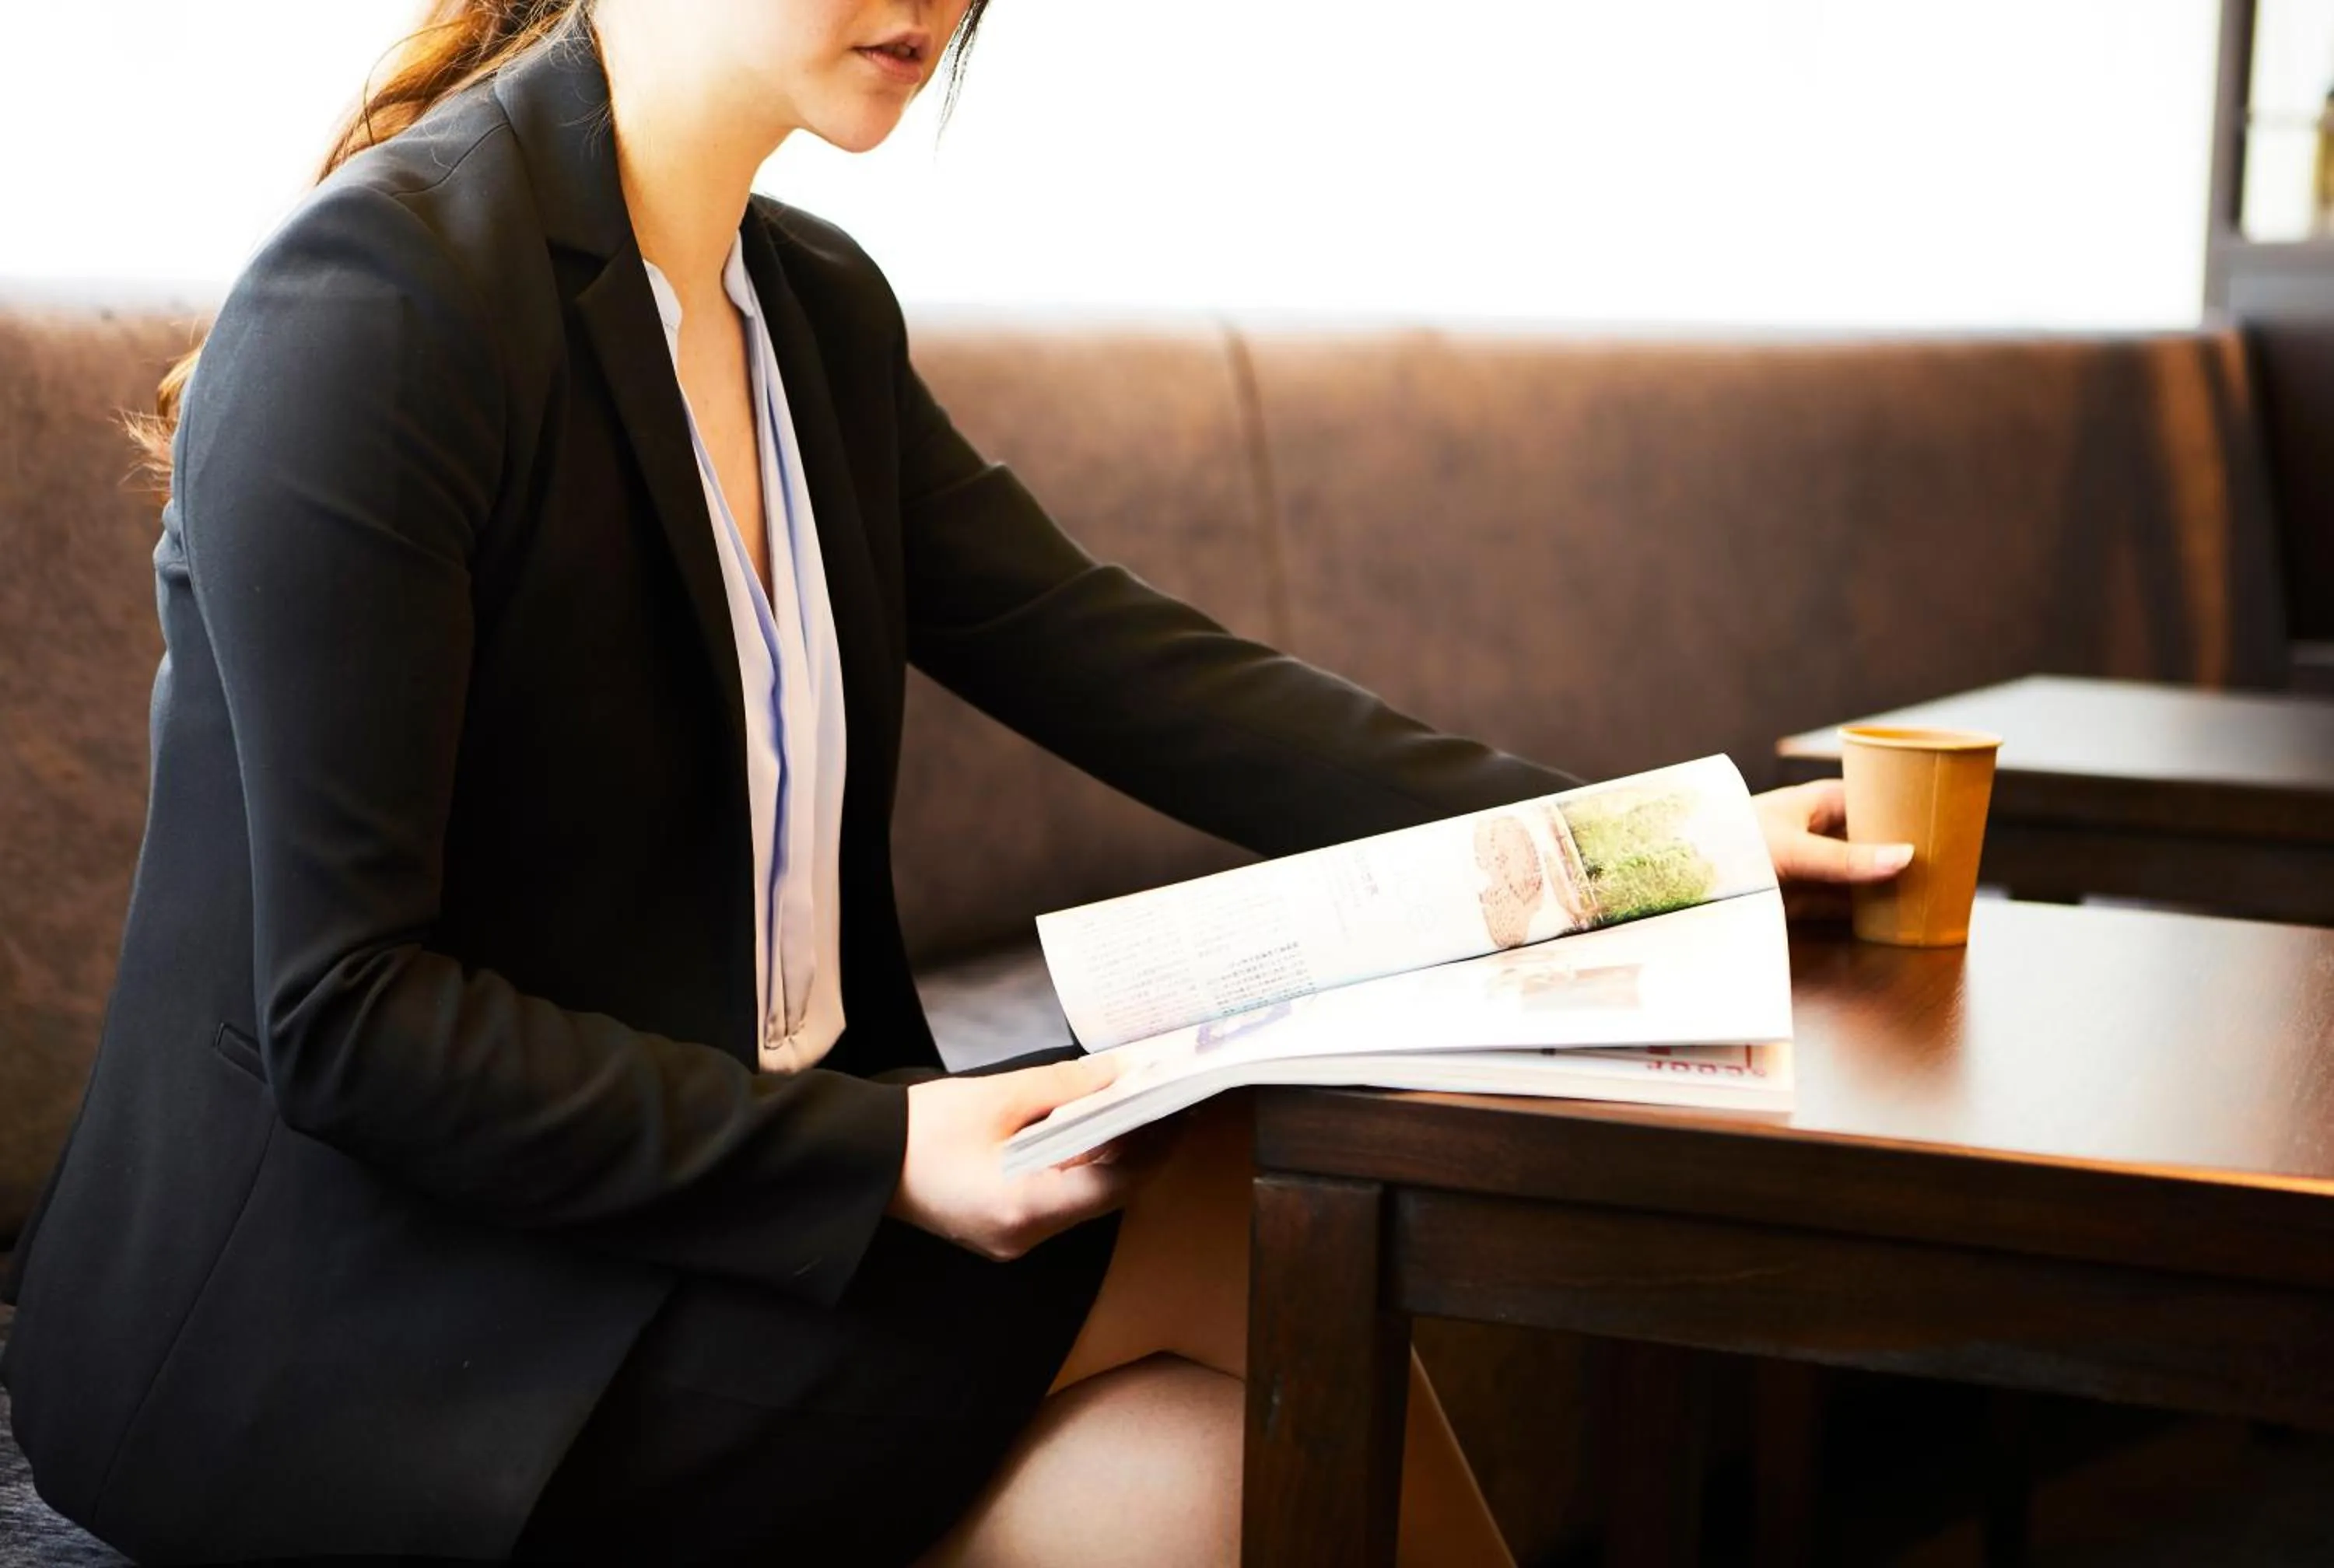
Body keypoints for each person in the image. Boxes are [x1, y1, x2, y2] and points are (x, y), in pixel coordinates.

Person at [0, 3, 1912, 1563]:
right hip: (373, 1317)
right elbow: (347, 1025)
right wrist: (884, 1152)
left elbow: (1142, 673)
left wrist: (1647, 841)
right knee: (1243, 1384)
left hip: (689, 1213)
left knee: (1248, 1368)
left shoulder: (804, 313)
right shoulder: (383, 312)